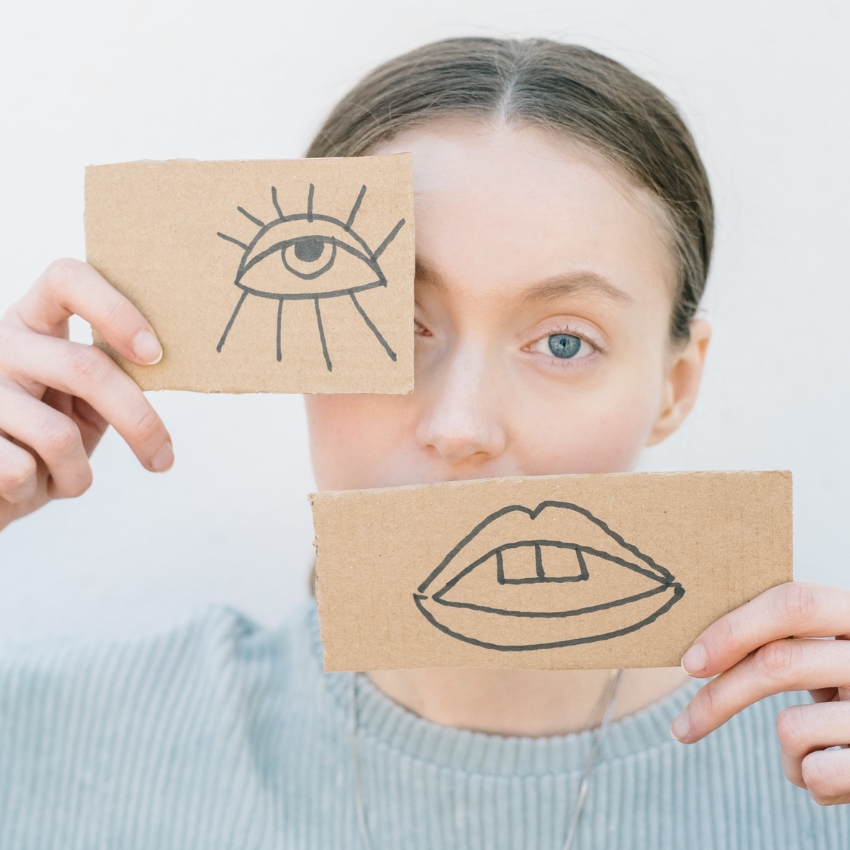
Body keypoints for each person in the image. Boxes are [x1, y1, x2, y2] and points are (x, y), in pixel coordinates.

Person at [0, 37, 847, 850]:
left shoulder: (822, 774)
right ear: (283, 341)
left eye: (563, 342)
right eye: (394, 326)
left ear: (676, 386)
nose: (461, 427)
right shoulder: (59, 736)